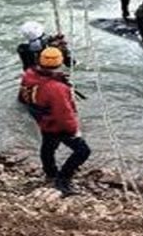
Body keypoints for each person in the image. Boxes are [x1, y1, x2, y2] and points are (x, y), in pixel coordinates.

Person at [18, 47, 91, 196]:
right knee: (83, 151)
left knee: (48, 146)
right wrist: (74, 131)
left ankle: (50, 172)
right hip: (56, 124)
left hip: (43, 120)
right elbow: (63, 114)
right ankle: (63, 179)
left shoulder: (29, 75)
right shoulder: (57, 88)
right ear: (59, 63)